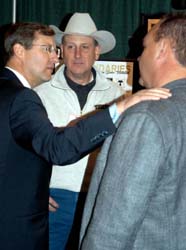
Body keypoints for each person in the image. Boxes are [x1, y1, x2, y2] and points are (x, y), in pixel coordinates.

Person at [0, 22, 170, 250]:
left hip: (94, 197)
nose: (56, 58)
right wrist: (120, 108)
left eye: (55, 50)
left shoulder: (115, 93)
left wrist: (31, 191)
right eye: (51, 49)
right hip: (43, 211)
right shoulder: (28, 96)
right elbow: (55, 147)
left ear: (96, 51)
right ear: (20, 51)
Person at [79, 13, 186, 250]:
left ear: (163, 50)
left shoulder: (145, 117)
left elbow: (113, 228)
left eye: (145, 47)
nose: (137, 57)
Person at [34, 12, 124, 250]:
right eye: (71, 46)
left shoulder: (118, 96)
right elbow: (24, 150)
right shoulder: (39, 94)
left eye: (85, 47)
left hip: (100, 198)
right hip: (54, 198)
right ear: (61, 49)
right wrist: (35, 192)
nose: (77, 54)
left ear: (97, 51)